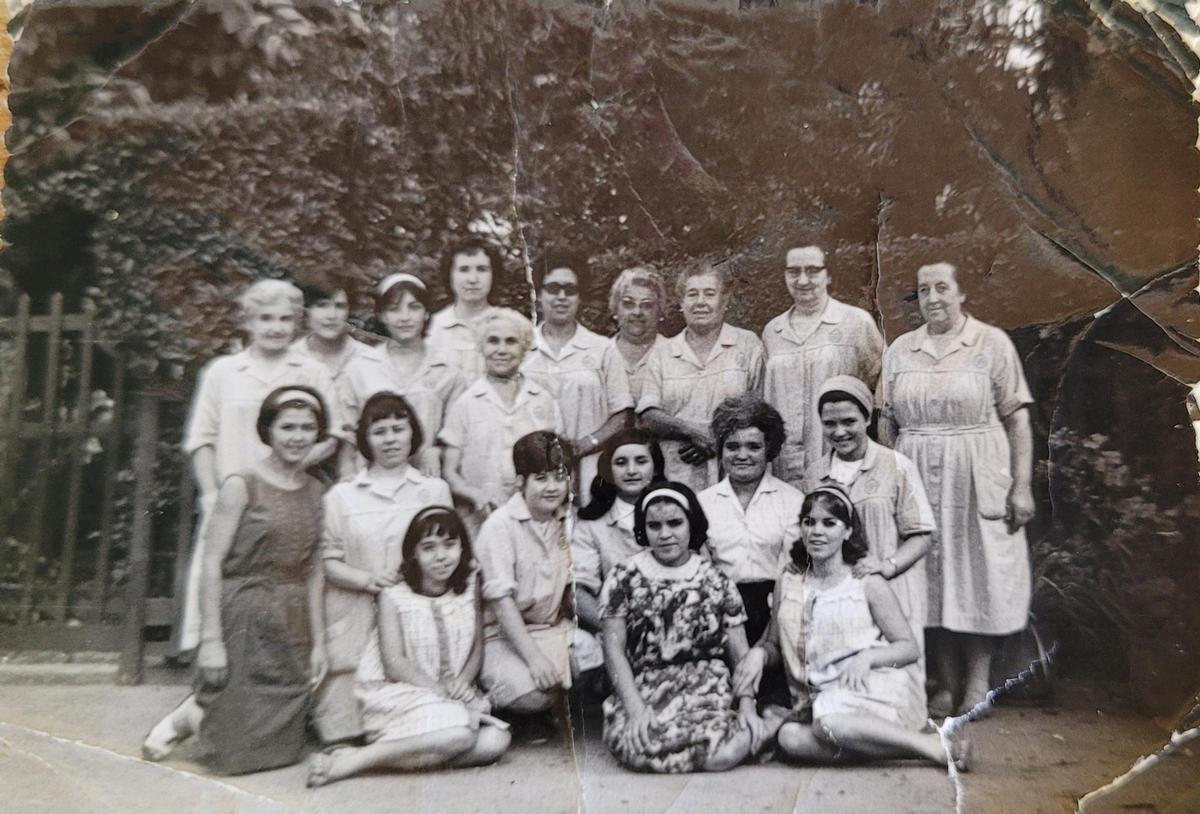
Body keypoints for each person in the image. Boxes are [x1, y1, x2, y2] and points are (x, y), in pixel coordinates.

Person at [142, 387, 330, 774]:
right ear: (268, 431)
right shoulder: (241, 484)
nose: (297, 436)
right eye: (287, 427)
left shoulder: (316, 490)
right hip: (242, 614)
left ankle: (205, 710)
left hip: (291, 618)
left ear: (318, 433)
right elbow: (211, 563)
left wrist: (319, 642)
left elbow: (314, 572)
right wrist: (211, 640)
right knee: (233, 758)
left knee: (284, 748)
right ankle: (190, 718)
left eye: (308, 428)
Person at [879, 261, 1035, 716]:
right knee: (928, 576)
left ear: (962, 293)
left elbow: (1017, 418)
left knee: (978, 573)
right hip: (918, 473)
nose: (932, 298)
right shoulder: (902, 349)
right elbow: (885, 420)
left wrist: (1021, 486)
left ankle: (978, 682)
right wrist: (893, 478)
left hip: (977, 471)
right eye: (923, 289)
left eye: (942, 288)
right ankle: (944, 682)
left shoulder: (991, 343)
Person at [732, 486, 970, 771]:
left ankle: (933, 747)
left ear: (847, 531)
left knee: (828, 723)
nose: (817, 531)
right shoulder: (790, 580)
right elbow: (773, 642)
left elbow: (908, 648)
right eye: (809, 522)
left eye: (829, 523)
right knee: (790, 738)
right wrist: (760, 653)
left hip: (873, 687)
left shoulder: (865, 583)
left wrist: (867, 657)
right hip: (819, 698)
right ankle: (902, 747)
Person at [177, 279, 339, 655]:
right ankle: (213, 665)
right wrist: (211, 494)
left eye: (285, 319)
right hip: (233, 501)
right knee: (221, 583)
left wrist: (289, 469)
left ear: (297, 323)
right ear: (247, 321)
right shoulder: (224, 372)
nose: (275, 327)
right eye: (265, 318)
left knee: (286, 586)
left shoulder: (311, 371)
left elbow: (331, 435)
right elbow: (202, 438)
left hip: (289, 500)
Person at [306, 507, 510, 787]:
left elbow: (477, 645)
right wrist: (439, 691)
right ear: (413, 553)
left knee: (497, 741)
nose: (441, 556)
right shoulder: (394, 595)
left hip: (452, 697)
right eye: (429, 548)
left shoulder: (469, 585)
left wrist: (462, 682)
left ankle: (381, 758)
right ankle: (354, 762)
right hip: (403, 693)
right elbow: (394, 663)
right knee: (462, 734)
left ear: (462, 547)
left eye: (450, 545)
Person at [314, 392, 453, 745]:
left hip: (413, 620)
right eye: (379, 431)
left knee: (423, 722)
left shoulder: (433, 490)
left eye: (398, 429)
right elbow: (328, 561)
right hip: (356, 620)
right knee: (342, 731)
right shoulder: (341, 497)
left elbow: (448, 556)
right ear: (365, 439)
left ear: (413, 434)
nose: (390, 439)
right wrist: (367, 579)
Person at [600, 482, 766, 773]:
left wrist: (747, 706)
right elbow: (614, 650)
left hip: (707, 687)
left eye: (675, 523)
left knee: (720, 755)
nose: (665, 534)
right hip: (645, 687)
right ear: (643, 529)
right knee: (638, 751)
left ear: (692, 524)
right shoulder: (623, 577)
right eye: (654, 526)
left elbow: (739, 652)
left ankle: (757, 729)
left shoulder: (715, 579)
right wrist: (636, 710)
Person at [804, 375, 934, 724]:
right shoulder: (816, 472)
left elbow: (922, 534)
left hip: (890, 589)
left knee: (898, 695)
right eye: (830, 424)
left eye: (849, 421)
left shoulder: (896, 465)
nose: (840, 431)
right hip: (840, 598)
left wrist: (886, 566)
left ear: (867, 419)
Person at [761, 244, 884, 486]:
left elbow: (880, 387)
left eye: (813, 270)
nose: (803, 280)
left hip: (841, 455)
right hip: (784, 461)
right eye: (793, 271)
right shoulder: (772, 331)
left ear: (828, 275)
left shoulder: (855, 322)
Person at [638, 263, 765, 493]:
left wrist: (717, 440)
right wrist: (693, 433)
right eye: (692, 294)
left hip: (737, 478)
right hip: (680, 478)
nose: (700, 302)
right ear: (681, 303)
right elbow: (648, 416)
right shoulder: (663, 353)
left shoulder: (748, 345)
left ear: (724, 300)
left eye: (709, 293)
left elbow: (760, 412)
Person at [474, 431, 575, 717]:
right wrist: (535, 659)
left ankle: (554, 704)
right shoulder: (500, 526)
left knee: (595, 663)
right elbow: (501, 602)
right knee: (533, 696)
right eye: (541, 478)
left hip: (552, 629)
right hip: (503, 637)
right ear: (521, 482)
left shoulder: (565, 520)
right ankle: (524, 710)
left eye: (559, 477)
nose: (552, 487)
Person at [523, 249, 634, 506]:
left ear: (580, 296)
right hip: (535, 474)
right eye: (552, 288)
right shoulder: (521, 349)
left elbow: (622, 414)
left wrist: (586, 444)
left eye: (570, 290)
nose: (561, 297)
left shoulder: (603, 349)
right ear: (539, 294)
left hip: (591, 468)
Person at [440, 309, 562, 533]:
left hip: (534, 519)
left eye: (511, 342)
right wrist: (476, 496)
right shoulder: (466, 403)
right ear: (481, 347)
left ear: (524, 347)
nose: (501, 350)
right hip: (481, 521)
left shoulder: (542, 399)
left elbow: (556, 462)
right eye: (493, 341)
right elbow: (449, 473)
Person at [697, 395, 804, 646]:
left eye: (753, 447)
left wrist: (767, 645)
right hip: (719, 611)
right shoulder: (702, 503)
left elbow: (792, 575)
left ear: (770, 449)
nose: (742, 455)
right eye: (732, 446)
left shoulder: (792, 501)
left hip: (778, 611)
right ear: (721, 449)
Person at [338, 273, 465, 476]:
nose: (405, 317)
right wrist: (348, 480)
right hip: (372, 479)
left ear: (426, 313)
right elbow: (347, 439)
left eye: (414, 307)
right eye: (394, 309)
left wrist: (437, 450)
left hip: (427, 480)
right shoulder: (359, 369)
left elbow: (456, 434)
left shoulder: (448, 371)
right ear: (381, 315)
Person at [572, 429, 666, 672]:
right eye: (621, 463)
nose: (632, 470)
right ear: (608, 471)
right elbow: (580, 592)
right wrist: (617, 629)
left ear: (655, 468)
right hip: (616, 629)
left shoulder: (674, 512)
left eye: (641, 461)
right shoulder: (592, 525)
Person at [427, 237, 503, 380]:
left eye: (482, 269)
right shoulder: (432, 327)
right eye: (464, 270)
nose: (473, 279)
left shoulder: (509, 325)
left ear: (494, 275)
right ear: (450, 275)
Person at [606, 266, 669, 405]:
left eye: (647, 305)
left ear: (660, 311)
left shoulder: (674, 355)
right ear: (615, 309)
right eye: (628, 304)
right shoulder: (598, 357)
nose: (637, 312)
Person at [292, 282, 372, 385]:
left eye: (340, 306)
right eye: (322, 305)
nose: (332, 315)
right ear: (307, 310)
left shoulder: (369, 359)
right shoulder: (290, 359)